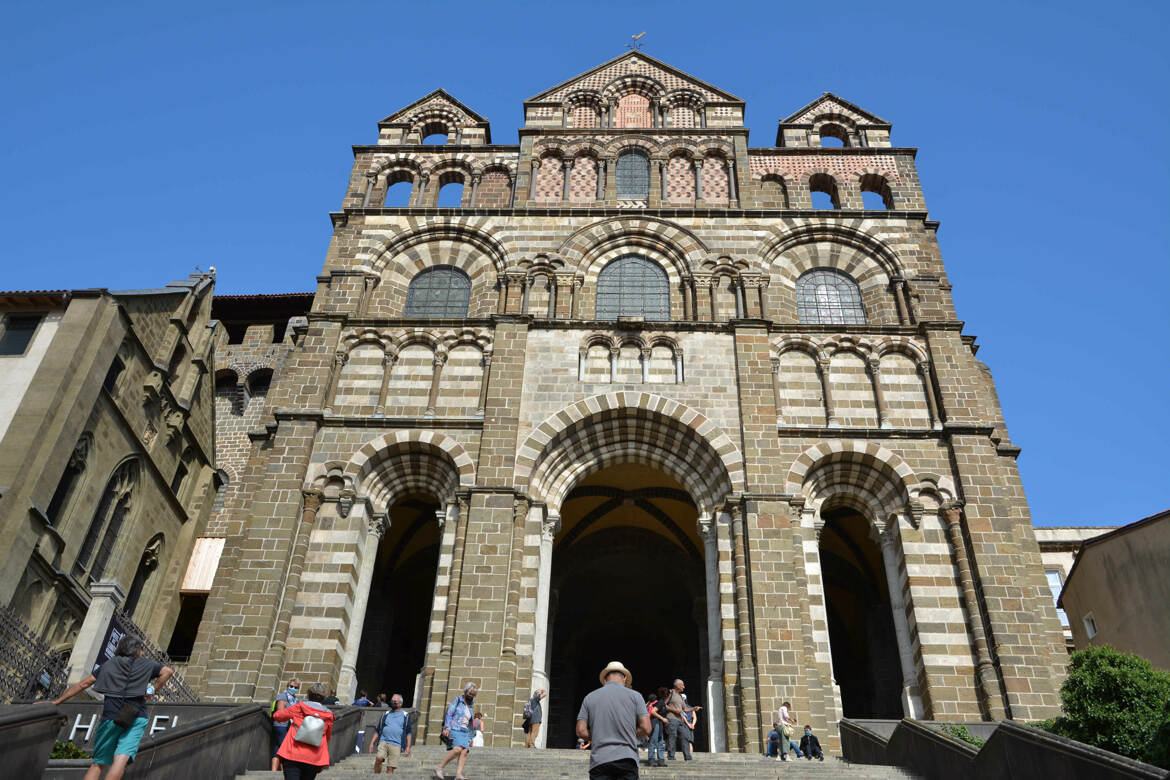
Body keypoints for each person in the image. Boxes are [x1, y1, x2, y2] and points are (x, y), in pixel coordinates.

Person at [52, 635, 173, 780]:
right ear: (137, 649)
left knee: (98, 764)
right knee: (120, 762)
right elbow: (168, 671)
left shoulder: (109, 664)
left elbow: (83, 684)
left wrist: (57, 701)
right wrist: (152, 689)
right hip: (136, 716)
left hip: (111, 716)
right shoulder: (146, 664)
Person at [576, 661, 650, 780]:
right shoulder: (636, 696)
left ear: (605, 679)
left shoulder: (589, 697)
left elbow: (580, 731)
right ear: (625, 678)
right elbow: (646, 728)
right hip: (627, 758)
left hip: (600, 760)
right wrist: (628, 735)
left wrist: (598, 736)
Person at [273, 682, 335, 780]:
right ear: (323, 697)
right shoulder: (329, 715)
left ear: (309, 695)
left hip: (292, 753)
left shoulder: (300, 706)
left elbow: (278, 717)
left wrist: (279, 709)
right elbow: (328, 736)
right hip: (314, 757)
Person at [435, 681, 477, 780]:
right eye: (470, 693)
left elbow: (469, 722)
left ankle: (458, 774)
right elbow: (449, 714)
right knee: (457, 749)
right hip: (455, 728)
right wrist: (446, 728)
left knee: (464, 752)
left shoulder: (470, 707)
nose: (471, 696)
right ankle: (439, 767)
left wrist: (471, 737)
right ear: (465, 691)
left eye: (473, 694)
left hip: (465, 732)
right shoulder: (457, 701)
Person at [371, 693, 412, 774]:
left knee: (390, 768)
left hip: (397, 744)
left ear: (400, 703)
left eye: (395, 701)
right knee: (379, 758)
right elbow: (378, 730)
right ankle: (376, 777)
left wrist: (408, 746)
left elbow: (408, 732)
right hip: (383, 741)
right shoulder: (385, 714)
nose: (393, 703)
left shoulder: (406, 715)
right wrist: (372, 743)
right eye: (392, 701)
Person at [663, 678, 700, 762]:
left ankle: (688, 757)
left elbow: (685, 709)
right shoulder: (670, 692)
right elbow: (663, 705)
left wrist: (694, 708)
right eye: (682, 685)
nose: (684, 687)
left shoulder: (680, 696)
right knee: (672, 737)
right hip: (671, 719)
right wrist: (674, 710)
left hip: (680, 721)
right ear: (678, 685)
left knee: (685, 736)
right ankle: (671, 757)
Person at [271, 678, 301, 771]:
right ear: (287, 686)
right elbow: (280, 712)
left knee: (278, 746)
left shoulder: (296, 699)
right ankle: (284, 770)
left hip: (288, 725)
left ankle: (273, 770)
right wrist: (291, 714)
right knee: (284, 747)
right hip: (280, 725)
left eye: (295, 687)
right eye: (291, 686)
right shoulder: (283, 696)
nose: (293, 688)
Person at [647, 687, 669, 768]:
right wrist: (663, 718)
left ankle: (661, 760)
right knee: (654, 740)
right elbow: (653, 712)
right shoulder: (661, 702)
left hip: (659, 724)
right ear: (668, 696)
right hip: (655, 723)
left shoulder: (662, 703)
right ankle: (651, 760)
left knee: (660, 741)